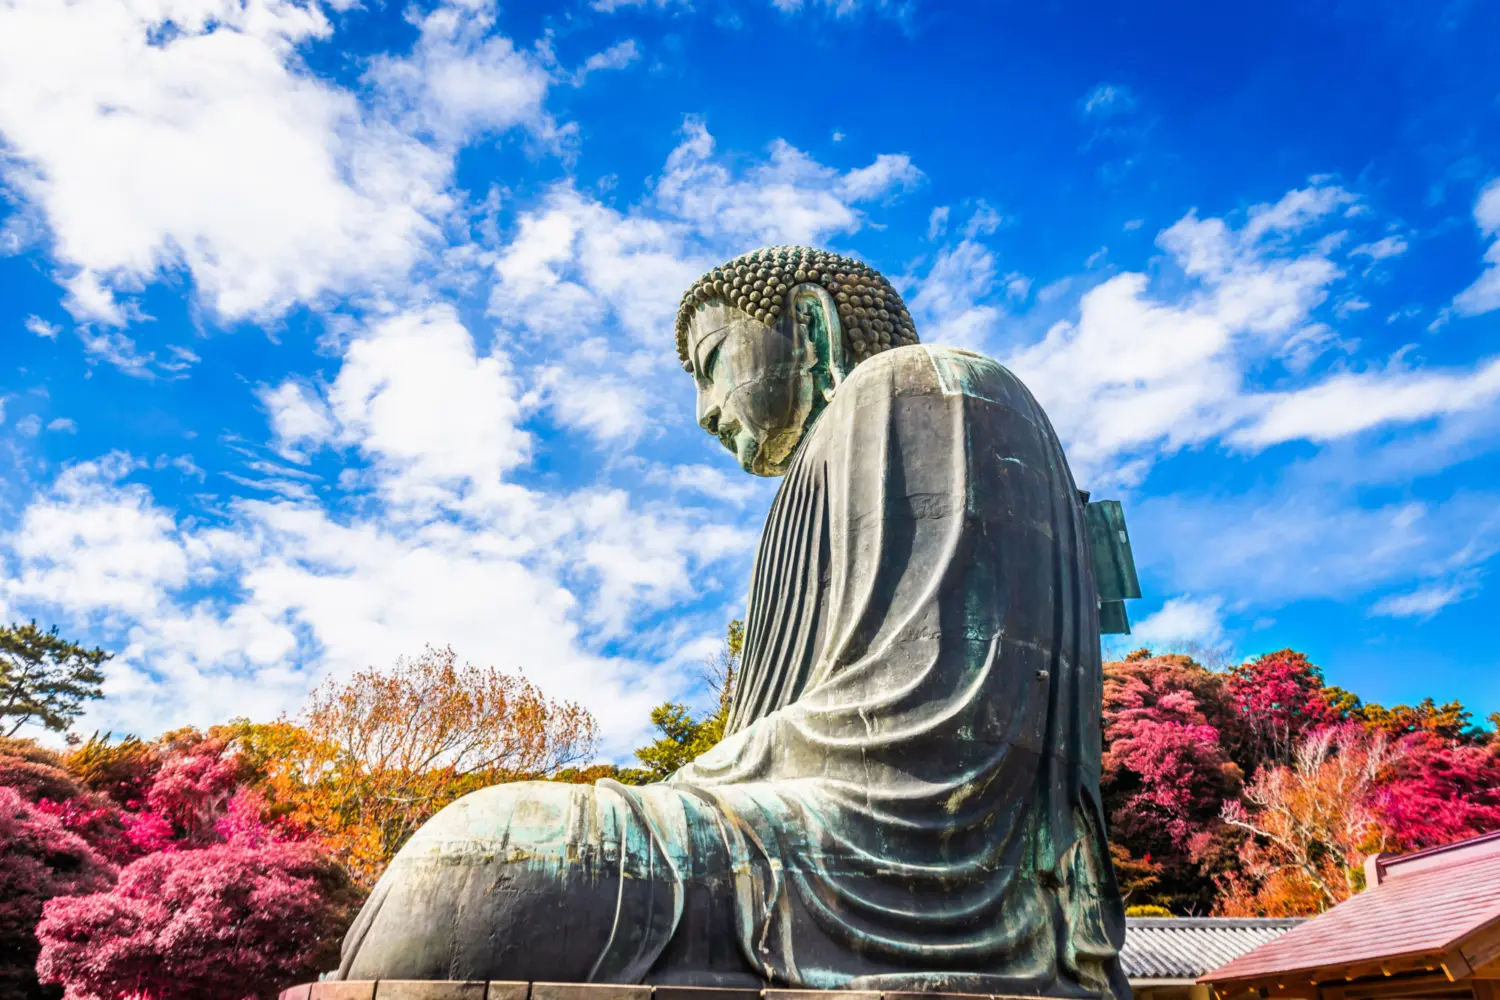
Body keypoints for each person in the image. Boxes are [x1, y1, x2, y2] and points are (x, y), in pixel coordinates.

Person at [336, 246, 1130, 1000]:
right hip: (802, 827)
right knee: (476, 862)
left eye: (714, 364)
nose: (706, 412)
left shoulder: (924, 387)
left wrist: (696, 794)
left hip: (910, 857)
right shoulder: (824, 466)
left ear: (812, 326)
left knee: (470, 866)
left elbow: (929, 725)